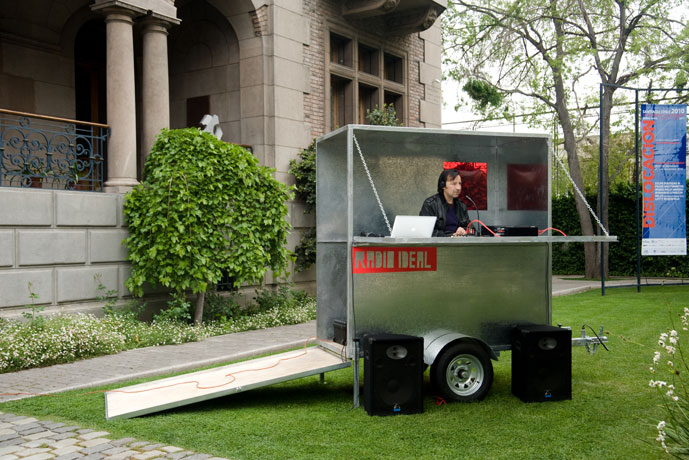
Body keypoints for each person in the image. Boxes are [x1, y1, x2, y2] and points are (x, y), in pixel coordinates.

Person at [420, 169, 470, 237]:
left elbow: (471, 228)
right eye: (454, 184)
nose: (458, 188)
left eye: (460, 183)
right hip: (439, 245)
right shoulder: (430, 204)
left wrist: (464, 231)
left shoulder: (461, 205)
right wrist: (450, 236)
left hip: (458, 244)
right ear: (443, 185)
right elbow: (425, 231)